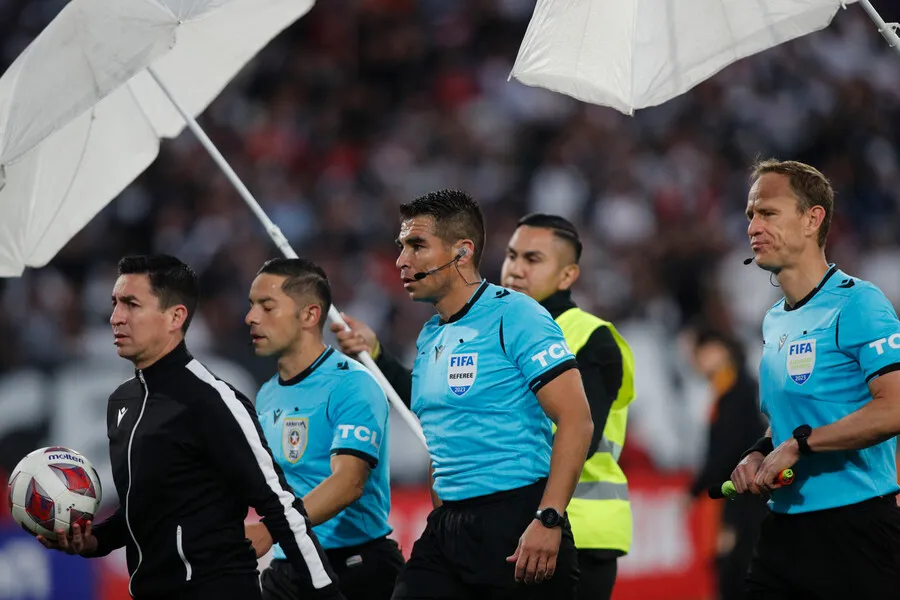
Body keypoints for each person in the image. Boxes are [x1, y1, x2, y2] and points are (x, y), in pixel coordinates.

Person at [334, 213, 635, 600]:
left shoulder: (589, 336)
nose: (516, 269)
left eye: (533, 259)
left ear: (567, 275)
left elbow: (578, 428)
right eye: (512, 255)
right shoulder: (481, 325)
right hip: (494, 526)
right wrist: (377, 355)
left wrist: (542, 512)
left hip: (574, 527)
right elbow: (449, 407)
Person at [32, 255, 343, 600]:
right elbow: (145, 508)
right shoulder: (122, 403)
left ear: (175, 317)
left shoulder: (212, 400)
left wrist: (326, 593)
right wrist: (96, 540)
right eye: (115, 303)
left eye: (132, 304)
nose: (116, 317)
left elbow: (280, 506)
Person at [730, 160, 900, 599]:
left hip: (856, 531)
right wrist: (759, 452)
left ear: (812, 219)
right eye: (750, 214)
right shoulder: (773, 321)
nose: (753, 226)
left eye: (768, 212)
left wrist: (799, 445)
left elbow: (894, 408)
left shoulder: (860, 304)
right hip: (783, 531)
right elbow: (789, 422)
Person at [241, 258, 404, 600]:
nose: (251, 317)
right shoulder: (268, 394)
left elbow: (349, 482)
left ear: (310, 315)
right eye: (252, 305)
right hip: (289, 567)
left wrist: (271, 529)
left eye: (267, 306)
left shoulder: (353, 385)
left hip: (354, 569)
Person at [684, 326, 768, 600]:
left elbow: (730, 453)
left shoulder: (737, 393)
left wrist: (695, 490)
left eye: (698, 353)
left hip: (741, 500)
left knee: (734, 574)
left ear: (719, 350)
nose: (695, 361)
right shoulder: (730, 390)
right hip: (741, 497)